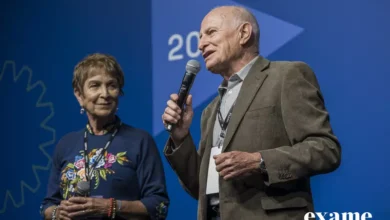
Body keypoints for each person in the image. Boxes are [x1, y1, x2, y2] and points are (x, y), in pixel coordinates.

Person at [161, 5, 341, 220]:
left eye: (211, 32)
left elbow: (326, 150)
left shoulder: (286, 76)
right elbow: (199, 187)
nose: (200, 45)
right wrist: (180, 138)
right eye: (200, 37)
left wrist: (260, 161)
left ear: (244, 33)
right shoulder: (210, 111)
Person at [40, 53, 170, 220]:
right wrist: (56, 213)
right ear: (79, 95)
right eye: (95, 85)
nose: (105, 94)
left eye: (111, 85)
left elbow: (159, 206)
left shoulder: (140, 141)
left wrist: (110, 207)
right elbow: (48, 204)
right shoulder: (66, 144)